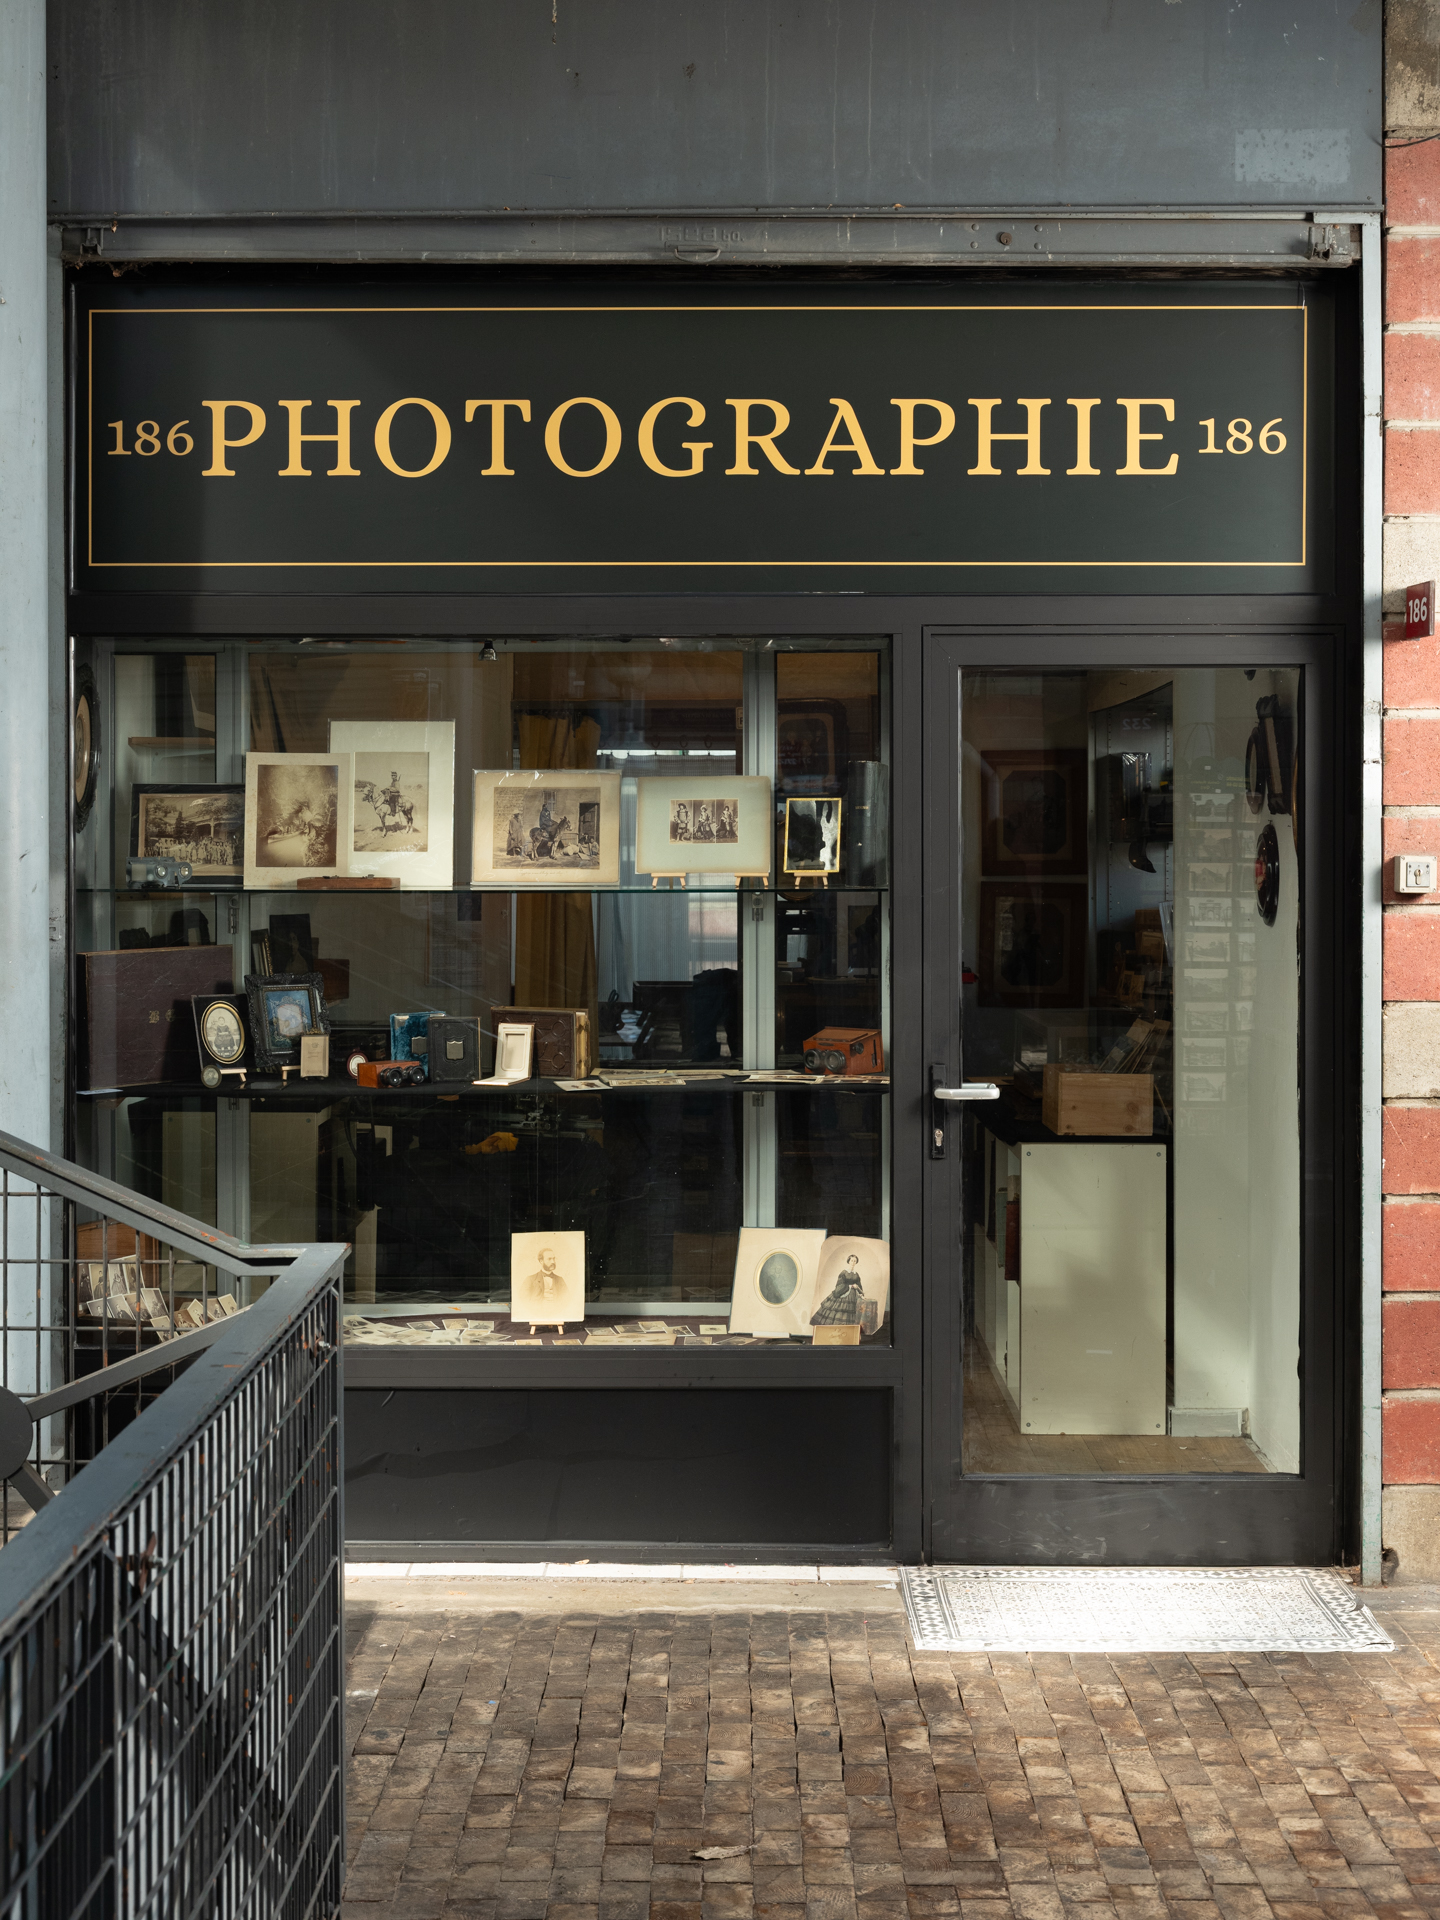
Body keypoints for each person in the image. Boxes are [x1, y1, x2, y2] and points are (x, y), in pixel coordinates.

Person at [810, 1253, 865, 1326]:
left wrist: (861, 1293)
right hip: (844, 1292)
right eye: (852, 1260)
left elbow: (859, 1285)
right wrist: (851, 1286)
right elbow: (840, 1284)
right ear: (848, 1261)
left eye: (855, 1261)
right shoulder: (844, 1272)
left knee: (850, 1312)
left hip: (853, 1296)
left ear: (856, 1262)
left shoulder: (856, 1274)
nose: (853, 1262)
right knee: (840, 1311)